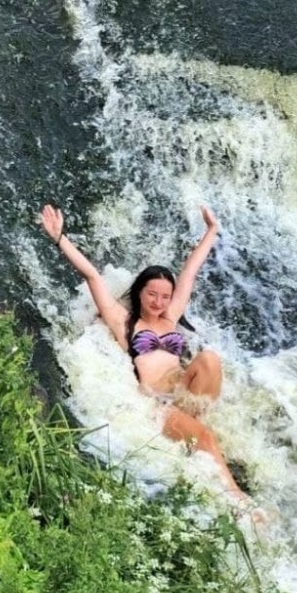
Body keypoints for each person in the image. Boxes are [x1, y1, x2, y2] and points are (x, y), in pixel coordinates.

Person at [40, 202, 250, 503]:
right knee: (204, 438)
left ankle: (198, 432)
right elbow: (93, 277)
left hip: (184, 393)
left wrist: (212, 231)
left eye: (165, 296)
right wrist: (60, 238)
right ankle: (239, 502)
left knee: (210, 359)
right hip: (158, 406)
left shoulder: (171, 318)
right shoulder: (124, 322)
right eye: (152, 294)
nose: (158, 302)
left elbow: (190, 272)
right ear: (139, 292)